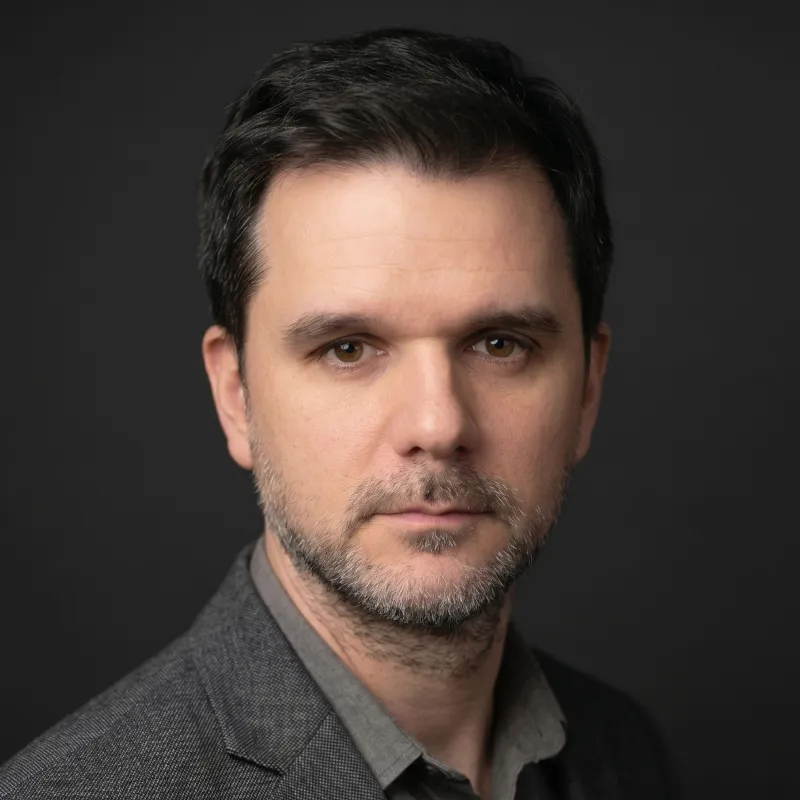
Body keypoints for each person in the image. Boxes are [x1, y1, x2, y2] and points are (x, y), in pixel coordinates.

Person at [0, 26, 679, 800]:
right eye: (348, 349)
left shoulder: (622, 754)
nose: (437, 426)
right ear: (236, 395)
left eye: (499, 344)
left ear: (588, 387)